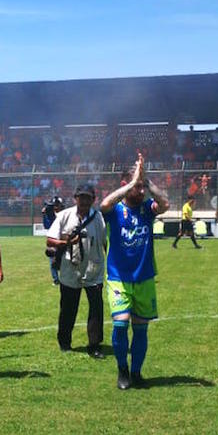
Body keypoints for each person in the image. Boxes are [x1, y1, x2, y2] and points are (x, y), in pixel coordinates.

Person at [100, 155, 170, 390]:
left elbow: (165, 204)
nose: (140, 191)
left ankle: (137, 372)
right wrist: (132, 183)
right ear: (125, 185)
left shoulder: (147, 209)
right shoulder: (116, 210)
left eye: (141, 187)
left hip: (144, 277)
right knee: (120, 324)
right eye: (136, 186)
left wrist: (147, 181)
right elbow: (103, 205)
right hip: (118, 277)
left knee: (141, 328)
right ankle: (122, 369)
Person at [46, 183, 106, 357]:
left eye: (89, 197)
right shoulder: (64, 215)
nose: (85, 201)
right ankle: (64, 342)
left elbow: (104, 242)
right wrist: (66, 243)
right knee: (68, 308)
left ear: (94, 200)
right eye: (82, 197)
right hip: (70, 268)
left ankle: (94, 345)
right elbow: (50, 241)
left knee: (96, 308)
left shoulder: (98, 217)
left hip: (93, 270)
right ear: (75, 198)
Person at [42, 196, 63, 284]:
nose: (56, 207)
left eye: (57, 205)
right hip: (52, 240)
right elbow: (46, 226)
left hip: (62, 239)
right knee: (52, 261)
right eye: (54, 205)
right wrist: (44, 215)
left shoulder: (64, 214)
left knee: (64, 260)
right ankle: (56, 280)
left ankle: (64, 278)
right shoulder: (50, 215)